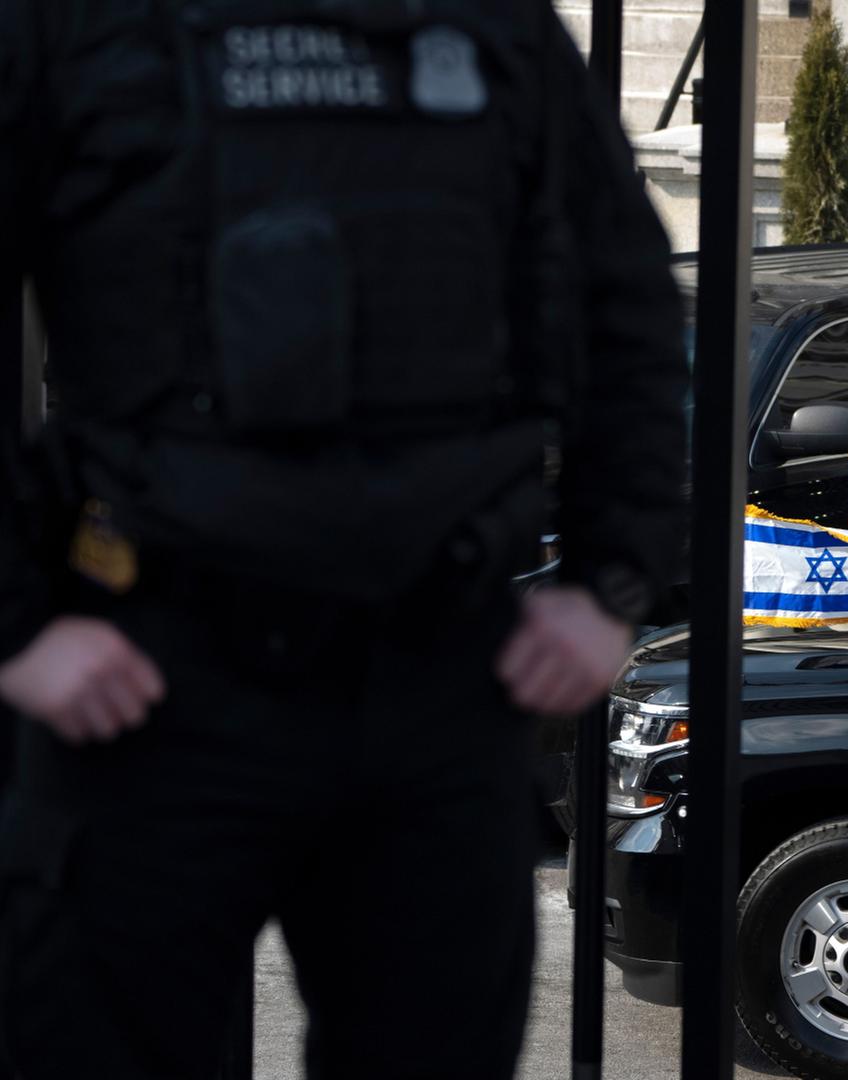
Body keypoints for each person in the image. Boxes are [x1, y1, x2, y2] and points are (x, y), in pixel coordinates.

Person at [0, 3, 686, 1077]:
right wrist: (20, 625)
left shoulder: (493, 29)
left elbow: (626, 297)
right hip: (148, 682)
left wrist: (609, 580)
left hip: (434, 675)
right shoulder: (74, 26)